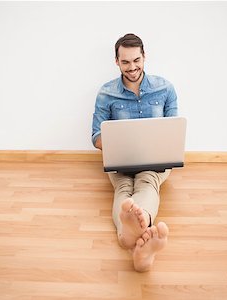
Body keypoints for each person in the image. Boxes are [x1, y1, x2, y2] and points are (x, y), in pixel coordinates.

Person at [91, 33, 179, 272]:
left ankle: (129, 235)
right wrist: (119, 143)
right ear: (117, 61)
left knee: (147, 182)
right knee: (123, 187)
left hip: (155, 160)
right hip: (120, 160)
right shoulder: (106, 93)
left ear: (144, 57)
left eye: (136, 60)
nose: (132, 67)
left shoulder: (165, 89)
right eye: (126, 62)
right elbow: (96, 138)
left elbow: (173, 131)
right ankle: (141, 238)